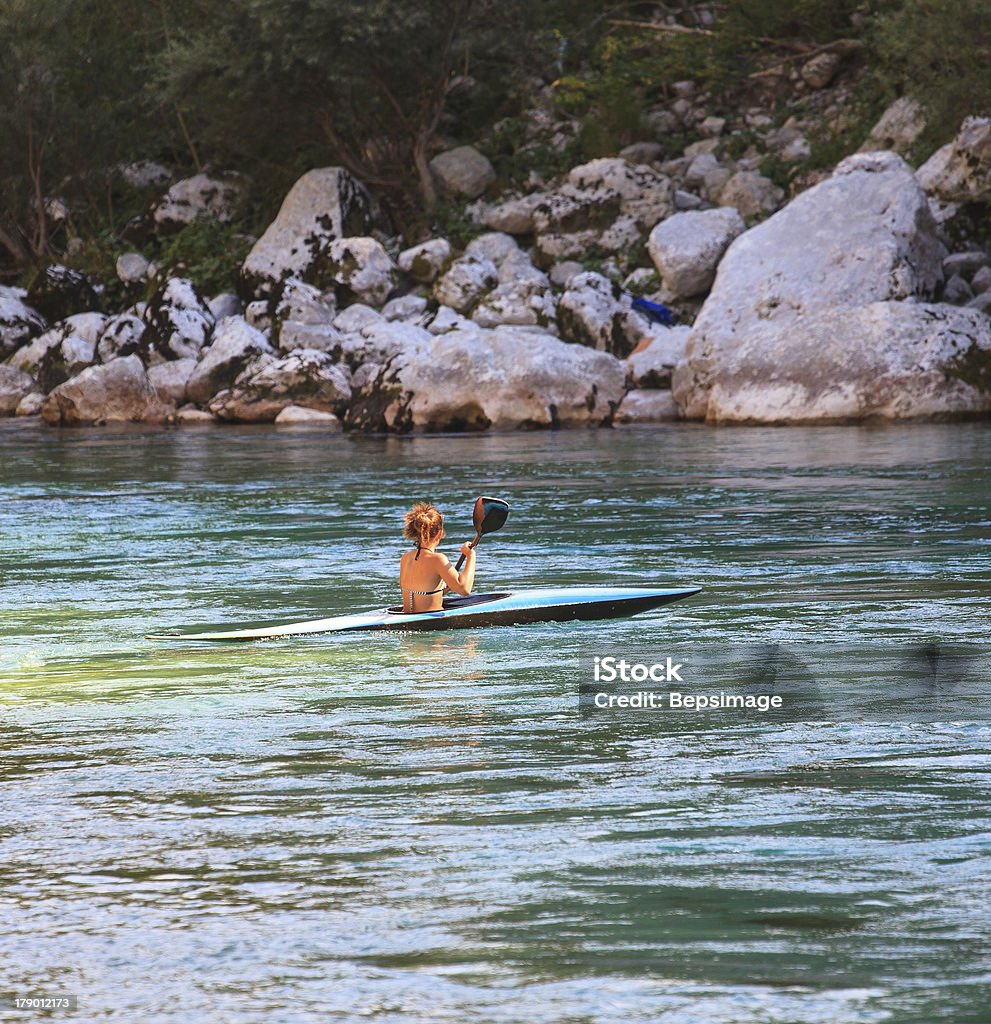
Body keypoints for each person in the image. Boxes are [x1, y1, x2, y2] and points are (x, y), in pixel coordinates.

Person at [399, 502, 476, 613]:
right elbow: (464, 589)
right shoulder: (438, 559)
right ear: (440, 533)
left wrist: (447, 585)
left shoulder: (405, 558)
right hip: (428, 623)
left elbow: (423, 592)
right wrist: (471, 556)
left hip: (405, 617)